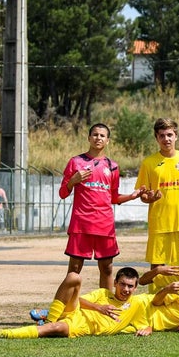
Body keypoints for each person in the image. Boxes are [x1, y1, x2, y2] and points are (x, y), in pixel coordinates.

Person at [57, 123, 144, 290]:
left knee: (107, 268)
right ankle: (65, 308)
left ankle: (106, 308)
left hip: (104, 224)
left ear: (108, 141)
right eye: (95, 135)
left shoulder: (113, 166)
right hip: (81, 223)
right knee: (74, 270)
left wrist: (131, 196)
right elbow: (62, 193)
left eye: (102, 135)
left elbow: (113, 197)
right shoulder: (76, 162)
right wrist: (73, 181)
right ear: (89, 138)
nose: (98, 138)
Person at [0, 267, 152, 340]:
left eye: (130, 286)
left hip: (82, 327)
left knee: (54, 329)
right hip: (75, 311)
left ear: (136, 288)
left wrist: (148, 330)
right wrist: (99, 307)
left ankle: (2, 333)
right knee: (74, 276)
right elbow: (80, 299)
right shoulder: (104, 293)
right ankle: (50, 318)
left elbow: (146, 325)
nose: (126, 289)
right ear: (115, 283)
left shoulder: (136, 304)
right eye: (122, 284)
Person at [136, 118, 179, 271]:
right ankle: (156, 294)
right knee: (157, 266)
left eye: (169, 135)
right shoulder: (148, 163)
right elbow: (143, 195)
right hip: (159, 224)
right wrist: (150, 198)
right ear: (156, 138)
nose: (166, 139)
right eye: (162, 136)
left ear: (176, 136)